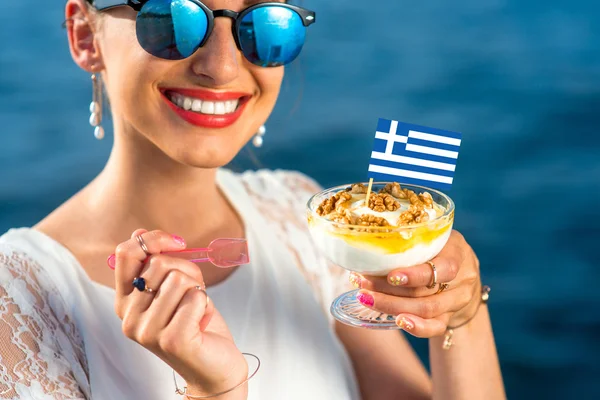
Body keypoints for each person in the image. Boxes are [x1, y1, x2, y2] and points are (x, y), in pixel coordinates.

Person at [0, 0, 506, 399]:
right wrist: (213, 393)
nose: (221, 67)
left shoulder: (295, 212)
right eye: (172, 18)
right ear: (85, 37)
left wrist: (462, 313)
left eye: (265, 25)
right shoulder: (16, 304)